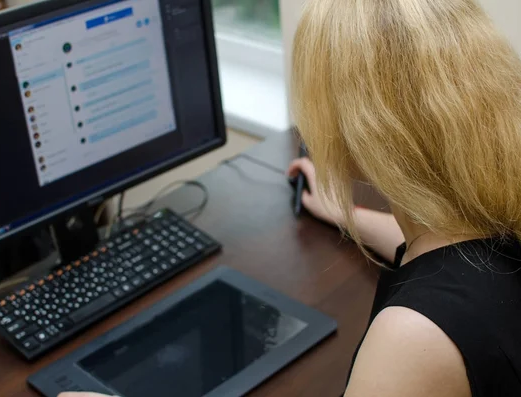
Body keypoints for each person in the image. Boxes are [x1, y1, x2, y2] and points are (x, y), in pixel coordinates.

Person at [59, 0, 521, 396]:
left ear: (364, 129)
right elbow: (452, 263)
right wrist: (349, 214)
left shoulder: (412, 339)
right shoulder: (495, 210)